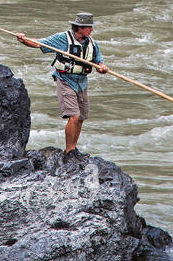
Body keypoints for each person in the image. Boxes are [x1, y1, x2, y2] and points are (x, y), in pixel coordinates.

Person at [15, 13, 108, 155]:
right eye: (89, 27)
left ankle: (74, 148)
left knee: (81, 118)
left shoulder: (92, 43)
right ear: (80, 27)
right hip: (65, 80)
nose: (91, 30)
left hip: (82, 83)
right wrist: (23, 40)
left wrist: (102, 68)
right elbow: (39, 43)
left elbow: (98, 62)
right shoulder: (63, 39)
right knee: (74, 116)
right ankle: (69, 151)